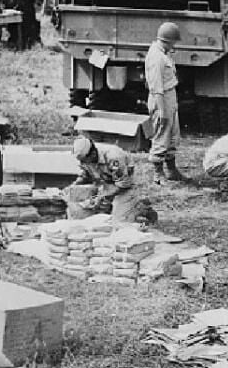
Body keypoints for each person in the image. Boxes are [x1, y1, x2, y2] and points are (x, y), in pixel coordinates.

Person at [71, 137, 154, 224]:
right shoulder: (85, 158)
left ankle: (142, 208)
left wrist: (103, 197)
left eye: (84, 161)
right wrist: (74, 186)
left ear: (92, 154)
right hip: (107, 182)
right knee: (97, 212)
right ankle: (111, 207)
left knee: (120, 222)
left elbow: (123, 184)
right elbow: (85, 174)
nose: (83, 163)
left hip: (126, 186)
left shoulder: (114, 157)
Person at [145, 22, 185, 184]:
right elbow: (156, 88)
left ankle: (171, 170)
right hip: (161, 99)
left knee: (173, 135)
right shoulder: (156, 57)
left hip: (169, 96)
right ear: (168, 40)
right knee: (162, 134)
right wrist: (162, 111)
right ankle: (158, 174)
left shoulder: (163, 53)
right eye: (174, 42)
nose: (175, 45)